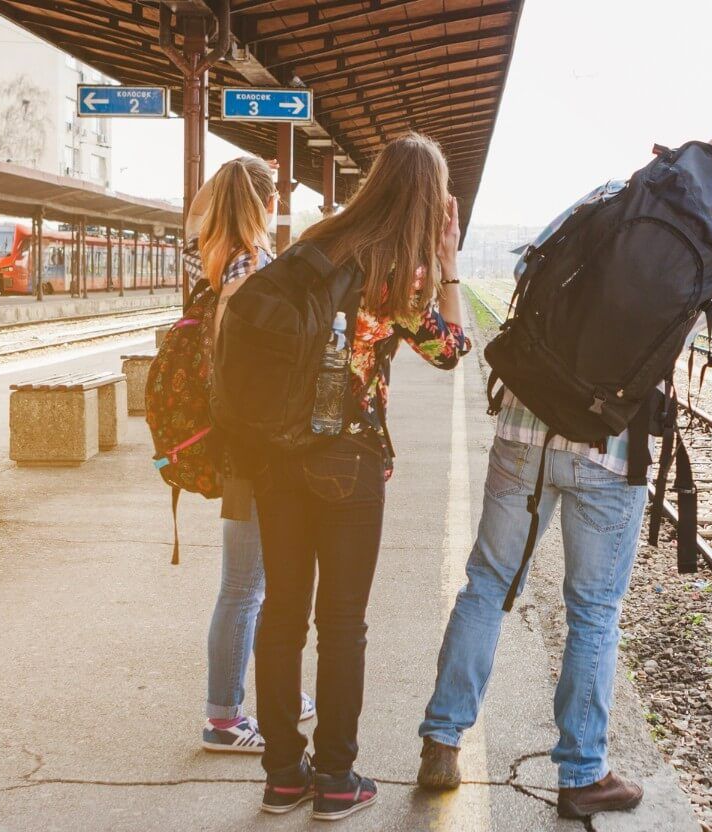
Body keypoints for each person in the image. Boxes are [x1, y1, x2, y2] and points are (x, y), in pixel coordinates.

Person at [417, 125, 712, 819]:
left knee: (489, 583)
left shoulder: (623, 192)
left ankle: (441, 739)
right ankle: (581, 772)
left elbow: (535, 260)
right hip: (610, 444)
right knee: (593, 611)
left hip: (527, 418)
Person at [251, 134, 470, 820]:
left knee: (281, 613)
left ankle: (283, 774)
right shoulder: (399, 271)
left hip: (276, 453)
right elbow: (452, 351)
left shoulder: (318, 241)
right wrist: (448, 263)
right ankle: (336, 779)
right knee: (341, 623)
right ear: (431, 203)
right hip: (349, 462)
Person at [185, 156, 318, 754]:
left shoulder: (218, 259)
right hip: (255, 445)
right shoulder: (258, 268)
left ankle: (271, 695)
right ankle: (222, 716)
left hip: (237, 437)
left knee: (250, 583)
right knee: (244, 586)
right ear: (269, 207)